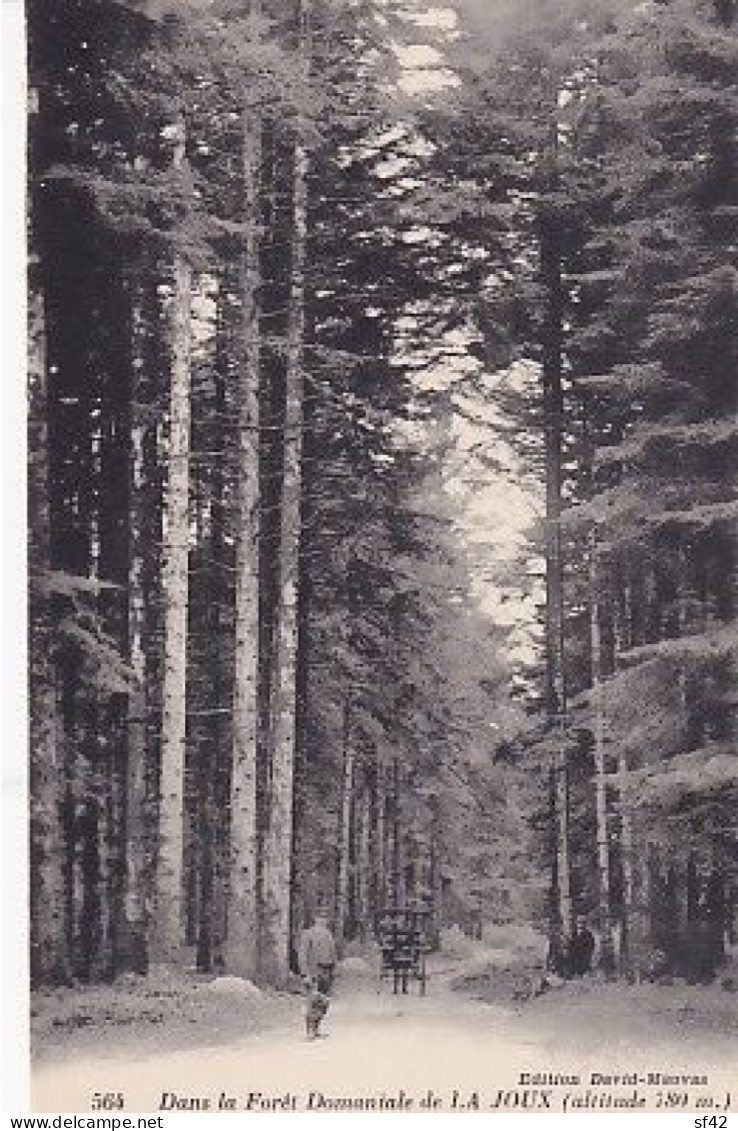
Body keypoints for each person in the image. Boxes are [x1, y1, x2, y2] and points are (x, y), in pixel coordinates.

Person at [298, 913, 337, 1040]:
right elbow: (302, 955)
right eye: (320, 917)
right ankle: (310, 1031)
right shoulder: (307, 934)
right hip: (314, 972)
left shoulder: (329, 934)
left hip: (327, 972)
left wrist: (333, 973)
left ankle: (317, 1029)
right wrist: (305, 974)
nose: (323, 920)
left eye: (325, 917)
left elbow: (333, 954)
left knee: (324, 1002)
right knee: (312, 1002)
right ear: (315, 919)